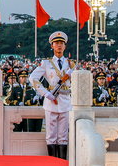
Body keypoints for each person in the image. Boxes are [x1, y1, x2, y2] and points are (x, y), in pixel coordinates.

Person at [30, 31, 74, 160]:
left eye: (61, 43)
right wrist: (45, 93)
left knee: (63, 136)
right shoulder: (46, 63)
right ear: (52, 46)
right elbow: (33, 78)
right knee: (51, 135)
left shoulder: (71, 64)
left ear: (65, 46)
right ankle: (52, 161)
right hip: (51, 100)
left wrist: (74, 75)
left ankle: (61, 161)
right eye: (56, 43)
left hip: (65, 100)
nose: (59, 46)